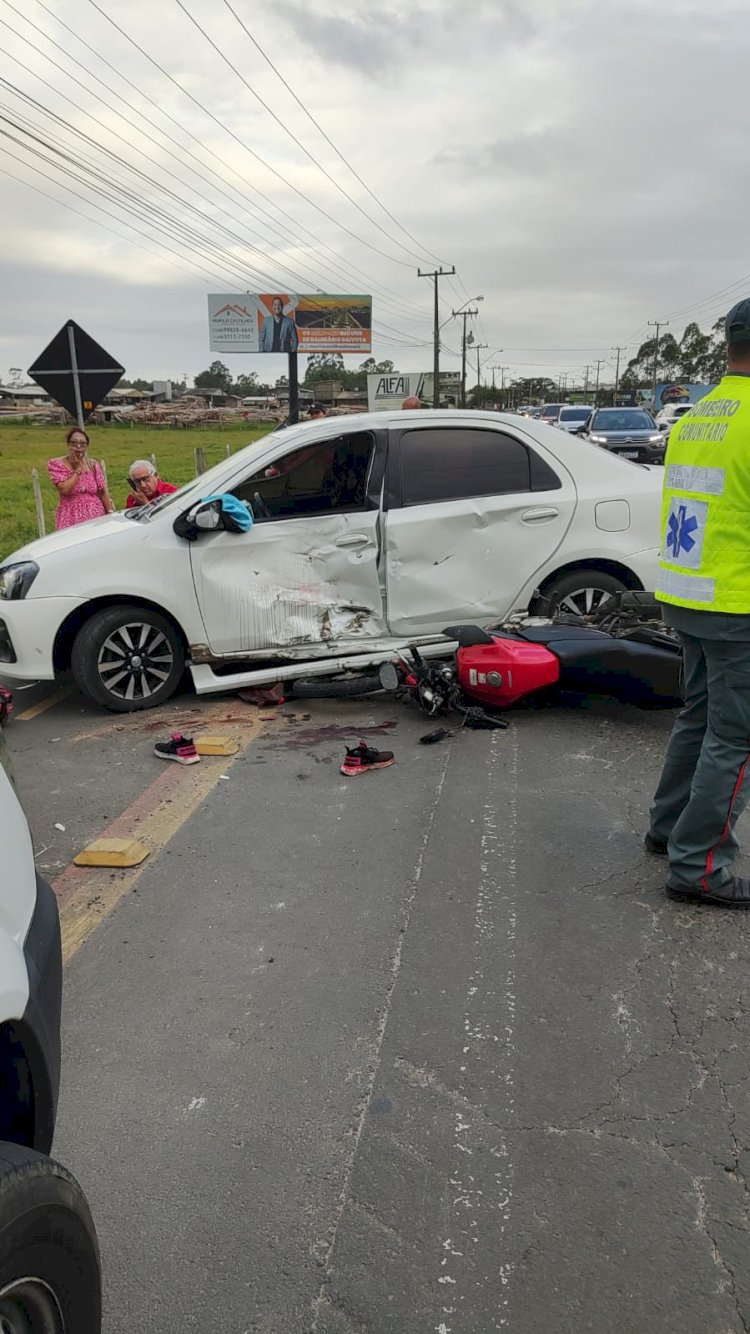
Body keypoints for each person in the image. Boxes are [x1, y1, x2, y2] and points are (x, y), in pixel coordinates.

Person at [646, 298, 750, 907]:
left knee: (699, 717)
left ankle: (667, 831)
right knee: (734, 737)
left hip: (688, 593)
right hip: (736, 603)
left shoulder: (697, 416)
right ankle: (698, 865)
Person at [47, 427, 114, 530]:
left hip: (96, 516)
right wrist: (77, 470)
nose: (78, 447)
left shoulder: (92, 464)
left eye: (83, 444)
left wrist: (110, 515)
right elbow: (64, 489)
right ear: (68, 444)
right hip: (70, 517)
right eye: (74, 443)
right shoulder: (57, 464)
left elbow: (103, 492)